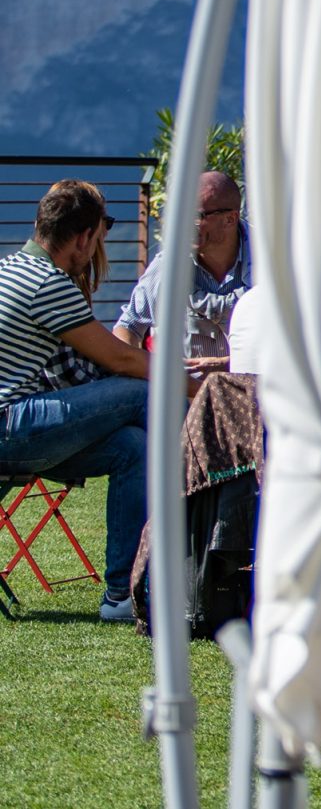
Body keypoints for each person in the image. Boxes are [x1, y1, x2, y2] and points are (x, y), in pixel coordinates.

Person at [0, 180, 198, 621]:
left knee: (133, 448)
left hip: (18, 428)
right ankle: (208, 488)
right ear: (85, 236)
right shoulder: (48, 283)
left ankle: (121, 596)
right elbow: (121, 359)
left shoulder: (10, 268)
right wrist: (200, 389)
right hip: (11, 427)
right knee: (141, 392)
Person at [114, 170, 251, 372]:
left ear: (230, 219)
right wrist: (139, 371)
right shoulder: (168, 266)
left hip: (254, 388)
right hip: (183, 390)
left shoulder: (270, 264)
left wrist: (226, 365)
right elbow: (129, 326)